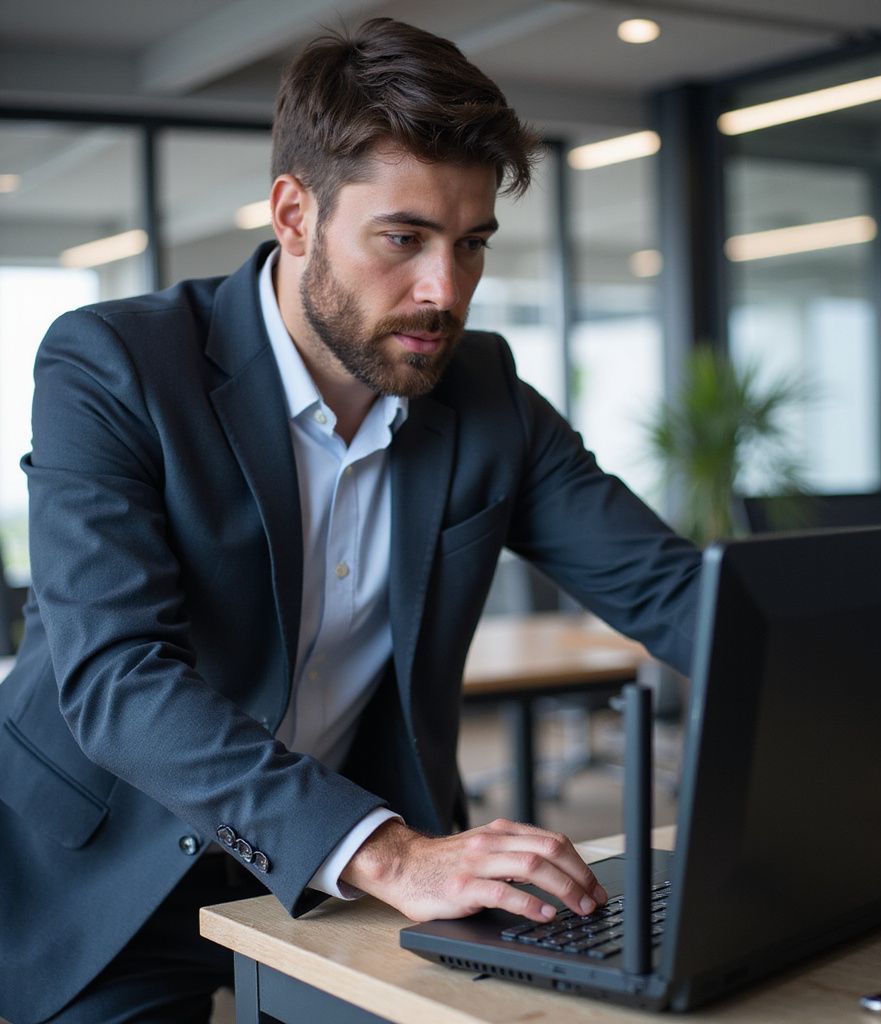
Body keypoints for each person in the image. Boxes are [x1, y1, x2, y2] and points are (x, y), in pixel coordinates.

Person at [0, 17, 702, 1024]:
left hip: (344, 877)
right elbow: (115, 679)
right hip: (104, 874)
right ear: (294, 215)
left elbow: (666, 587)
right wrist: (390, 851)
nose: (443, 292)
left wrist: (868, 705)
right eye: (404, 239)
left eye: (470, 246)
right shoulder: (113, 364)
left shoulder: (484, 392)